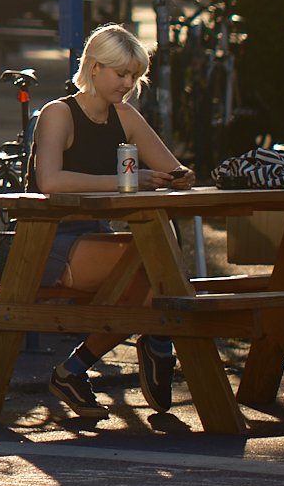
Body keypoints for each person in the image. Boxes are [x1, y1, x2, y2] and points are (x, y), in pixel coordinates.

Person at [31, 24, 196, 417]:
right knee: (157, 267)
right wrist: (129, 181)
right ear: (94, 67)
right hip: (48, 242)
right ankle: (156, 342)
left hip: (97, 238)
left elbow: (173, 168)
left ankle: (75, 368)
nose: (127, 83)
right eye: (121, 74)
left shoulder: (126, 117)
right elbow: (50, 181)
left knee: (157, 264)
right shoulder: (58, 113)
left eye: (134, 76)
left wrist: (180, 176)